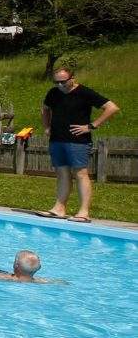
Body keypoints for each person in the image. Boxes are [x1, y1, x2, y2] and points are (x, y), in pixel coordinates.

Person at [40, 64, 119, 223]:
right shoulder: (54, 93)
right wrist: (47, 126)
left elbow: (111, 108)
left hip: (77, 141)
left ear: (72, 79)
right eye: (57, 82)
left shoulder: (84, 92)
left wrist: (91, 126)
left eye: (63, 82)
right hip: (57, 139)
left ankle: (83, 212)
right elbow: (45, 108)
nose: (60, 85)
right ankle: (59, 208)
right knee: (62, 173)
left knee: (80, 173)